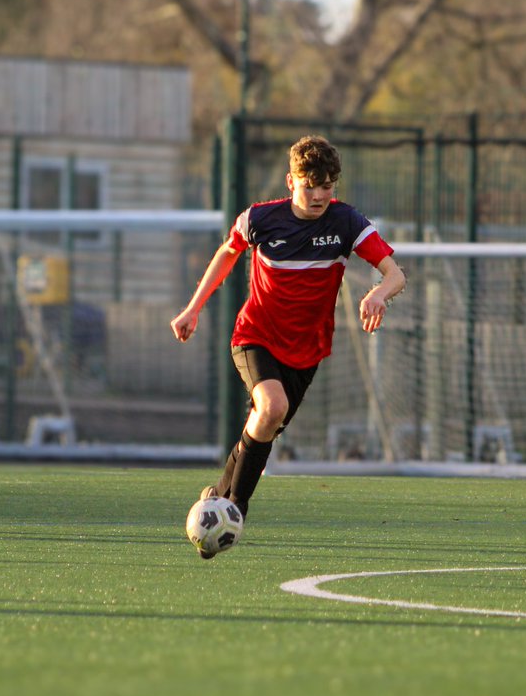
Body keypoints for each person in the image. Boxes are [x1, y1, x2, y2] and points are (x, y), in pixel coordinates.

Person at [170, 134, 405, 556]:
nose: (317, 195)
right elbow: (228, 253)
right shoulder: (260, 220)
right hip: (256, 336)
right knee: (271, 408)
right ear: (289, 181)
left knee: (266, 425)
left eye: (327, 186)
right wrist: (193, 308)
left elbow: (395, 274)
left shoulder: (346, 223)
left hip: (307, 350)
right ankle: (234, 509)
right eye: (308, 185)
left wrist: (377, 293)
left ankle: (219, 498)